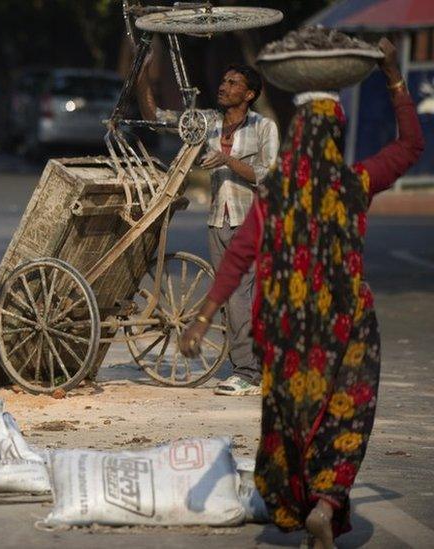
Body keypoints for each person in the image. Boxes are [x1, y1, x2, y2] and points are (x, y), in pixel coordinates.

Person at [179, 38, 423, 548]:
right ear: (335, 134)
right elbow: (410, 147)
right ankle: (329, 502)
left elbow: (240, 253)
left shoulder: (278, 191)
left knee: (294, 425)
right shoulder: (355, 181)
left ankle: (307, 506)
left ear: (296, 138)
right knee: (346, 414)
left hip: (288, 331)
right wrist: (395, 79)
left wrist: (203, 317)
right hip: (348, 326)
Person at [137, 60, 279, 396]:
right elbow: (158, 118)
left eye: (233, 83)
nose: (224, 86)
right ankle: (248, 367)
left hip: (252, 220)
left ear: (249, 94)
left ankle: (247, 372)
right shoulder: (209, 123)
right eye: (224, 80)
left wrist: (228, 161)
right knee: (231, 298)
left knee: (241, 296)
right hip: (219, 219)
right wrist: (143, 74)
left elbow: (269, 174)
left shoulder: (263, 127)